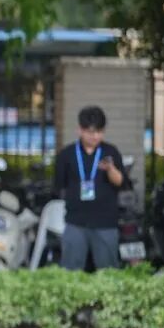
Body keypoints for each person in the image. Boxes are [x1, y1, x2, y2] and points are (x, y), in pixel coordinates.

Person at [53, 105, 129, 270]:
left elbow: (121, 182)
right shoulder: (67, 154)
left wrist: (110, 169)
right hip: (76, 221)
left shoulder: (110, 152)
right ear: (80, 130)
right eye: (91, 132)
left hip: (105, 221)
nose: (95, 136)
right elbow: (59, 185)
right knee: (71, 270)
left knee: (108, 270)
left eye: (99, 132)